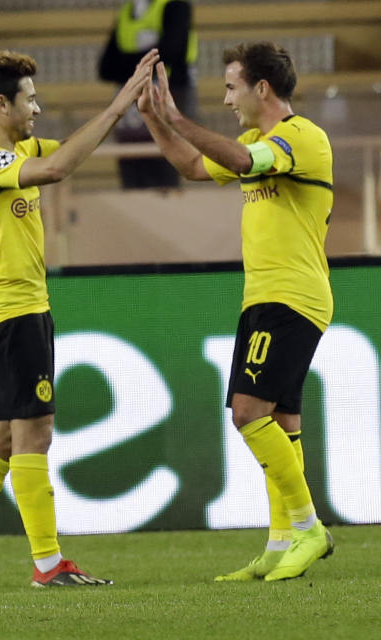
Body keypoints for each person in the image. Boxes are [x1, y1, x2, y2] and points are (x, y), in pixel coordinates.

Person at [0, 48, 158, 588]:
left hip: (23, 309)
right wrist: (122, 102)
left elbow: (71, 150)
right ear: (1, 104)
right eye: (29, 99)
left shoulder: (16, 149)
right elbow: (56, 167)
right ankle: (49, 564)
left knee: (3, 436)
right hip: (9, 312)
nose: (38, 109)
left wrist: (133, 112)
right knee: (35, 432)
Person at [137, 42, 335, 581]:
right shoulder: (253, 139)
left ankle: (309, 528)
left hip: (291, 296)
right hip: (267, 296)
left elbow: (245, 162)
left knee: (247, 411)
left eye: (231, 88)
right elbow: (193, 167)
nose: (226, 100)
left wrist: (179, 115)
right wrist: (157, 120)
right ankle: (279, 543)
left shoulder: (301, 138)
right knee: (281, 421)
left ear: (261, 89)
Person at [98, 0, 197, 188]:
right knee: (131, 168)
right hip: (131, 110)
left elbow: (171, 52)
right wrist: (146, 61)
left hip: (167, 99)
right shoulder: (127, 12)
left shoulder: (175, 7)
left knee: (165, 166)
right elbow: (105, 68)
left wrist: (127, 65)